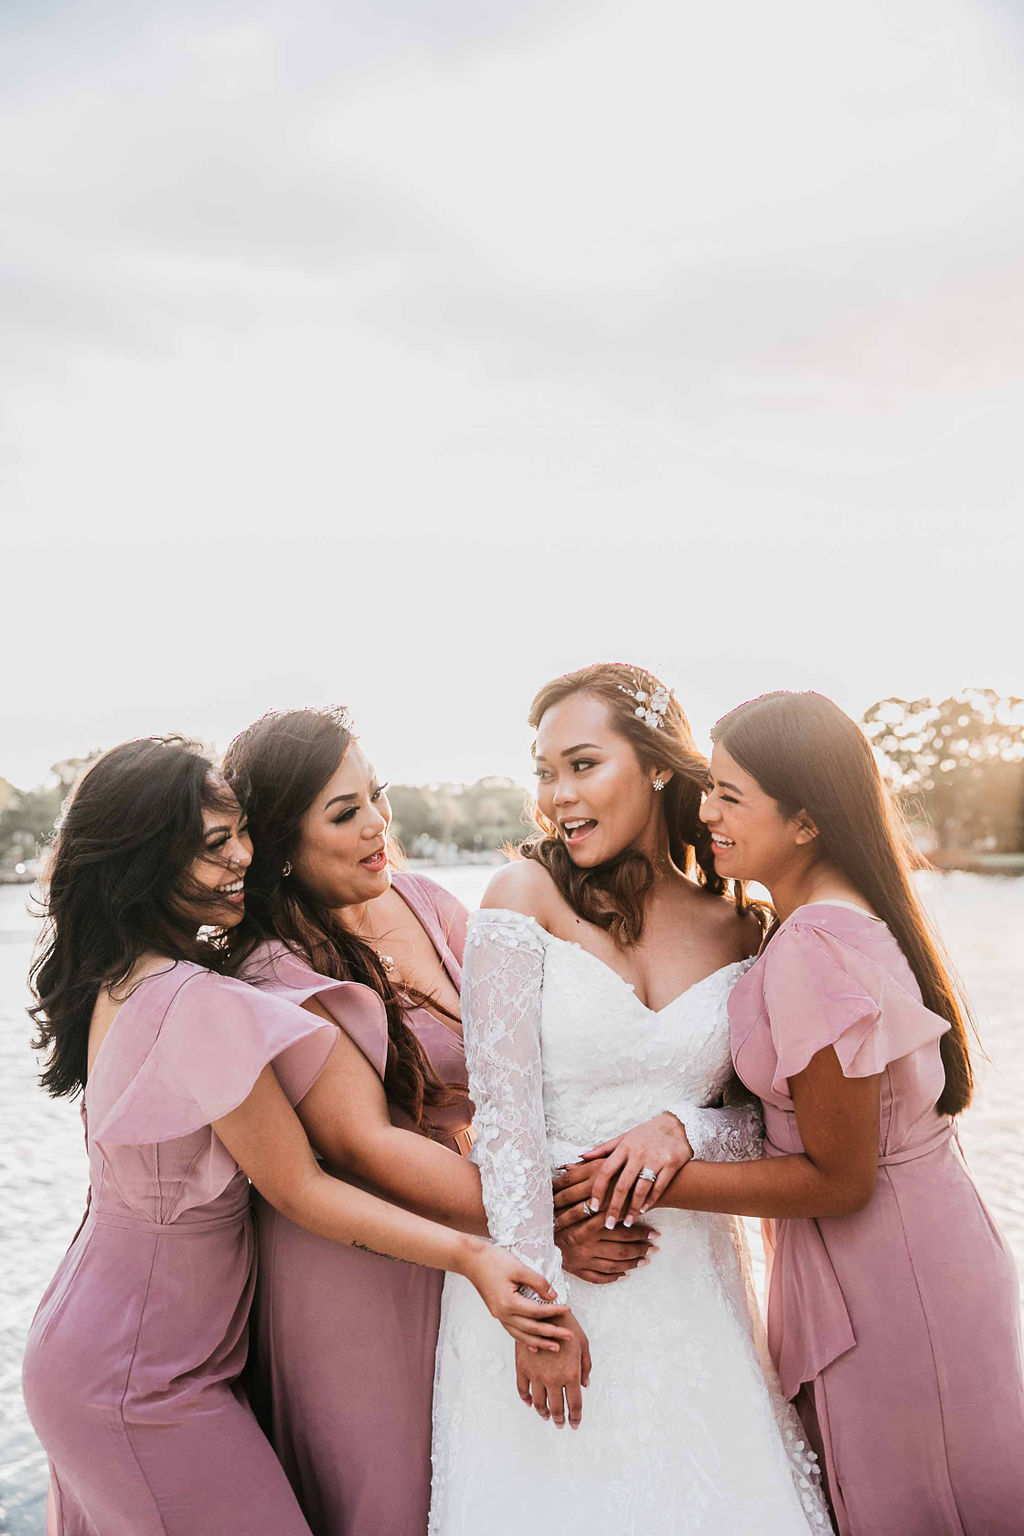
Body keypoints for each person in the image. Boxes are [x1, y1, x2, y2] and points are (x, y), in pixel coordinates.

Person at [21, 738, 567, 1536]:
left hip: (124, 1343)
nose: (243, 856)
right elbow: (304, 1186)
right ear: (142, 862)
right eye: (212, 845)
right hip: (139, 1372)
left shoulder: (123, 977)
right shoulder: (195, 999)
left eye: (239, 832)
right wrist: (476, 1252)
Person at [568, 690, 1024, 1535]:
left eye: (730, 796)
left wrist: (645, 1184)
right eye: (709, 789)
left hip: (892, 1279)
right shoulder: (832, 921)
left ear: (807, 820)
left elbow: (840, 1178)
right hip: (910, 1252)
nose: (705, 814)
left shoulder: (813, 948)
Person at [221, 708, 651, 1536]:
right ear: (279, 845)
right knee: (387, 1491)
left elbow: (515, 1052)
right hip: (359, 1262)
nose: (381, 823)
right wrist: (550, 1224)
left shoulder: (420, 898)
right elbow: (360, 1139)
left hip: (472, 1228)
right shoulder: (276, 966)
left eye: (375, 796)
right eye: (345, 814)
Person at [429, 665, 831, 1536]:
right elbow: (500, 1119)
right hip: (552, 1275)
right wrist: (540, 1306)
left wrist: (684, 1126)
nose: (557, 797)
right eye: (544, 773)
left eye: (581, 764)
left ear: (655, 766)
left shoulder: (743, 927)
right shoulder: (519, 900)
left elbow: (764, 1124)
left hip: (692, 1284)